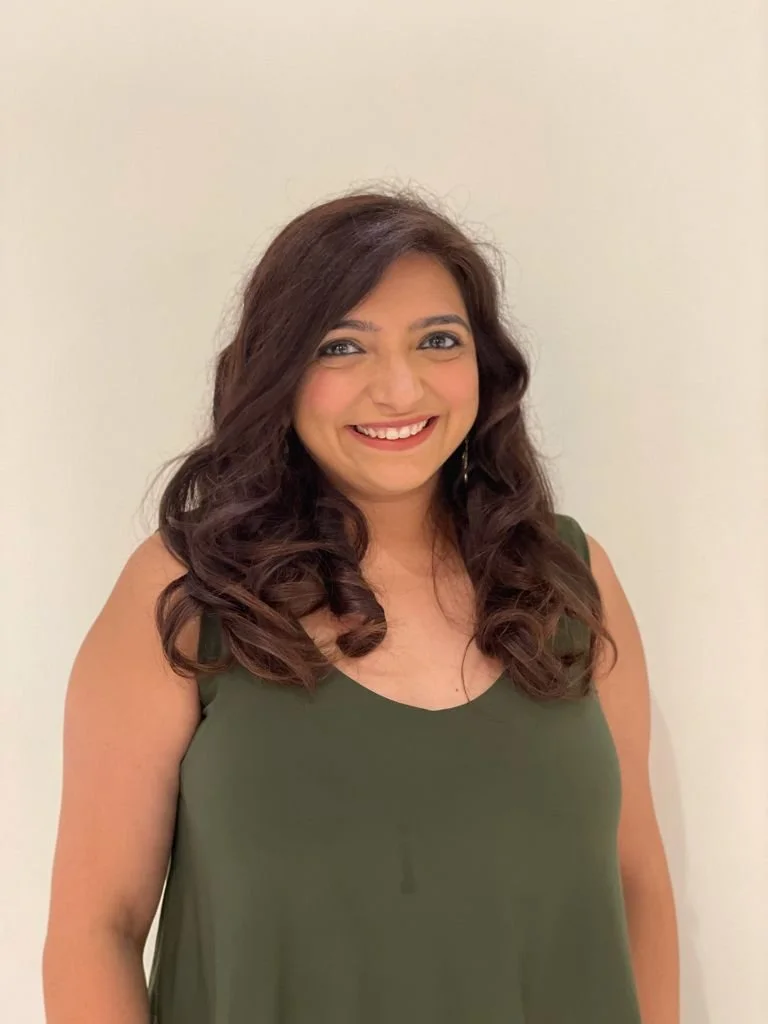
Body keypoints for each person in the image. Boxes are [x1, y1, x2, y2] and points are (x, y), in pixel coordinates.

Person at [42, 189, 679, 1024]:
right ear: (281, 369)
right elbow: (95, 930)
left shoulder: (567, 575)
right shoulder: (188, 589)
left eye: (438, 341)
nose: (399, 386)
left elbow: (637, 888)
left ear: (481, 367)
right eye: (343, 346)